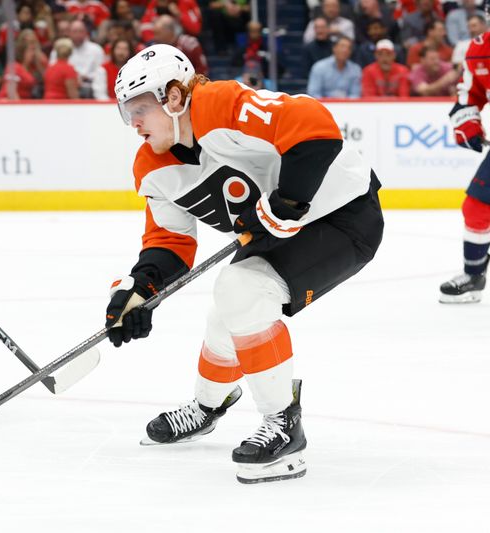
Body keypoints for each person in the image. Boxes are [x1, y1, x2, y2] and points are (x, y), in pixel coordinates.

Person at [107, 44, 383, 483]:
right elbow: (170, 241)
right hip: (281, 228)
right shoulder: (152, 166)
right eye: (127, 112)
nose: (134, 123)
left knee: (241, 290)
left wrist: (288, 201)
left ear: (174, 97)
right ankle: (207, 405)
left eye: (141, 108)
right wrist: (139, 292)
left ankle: (283, 424)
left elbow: (314, 126)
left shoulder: (219, 104)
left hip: (343, 213)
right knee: (229, 309)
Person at [441, 24, 490, 303]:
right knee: (476, 208)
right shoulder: (480, 50)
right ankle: (474, 276)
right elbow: (468, 96)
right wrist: (467, 123)